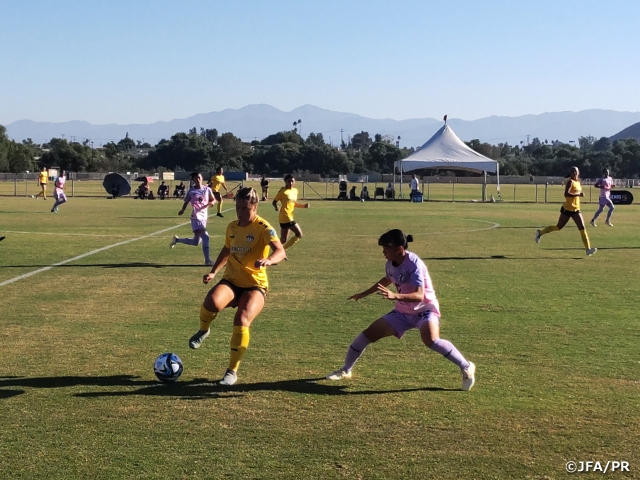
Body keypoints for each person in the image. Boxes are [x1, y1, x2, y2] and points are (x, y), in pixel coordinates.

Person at [326, 229, 476, 391]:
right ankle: (346, 370)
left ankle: (466, 366)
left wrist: (395, 296)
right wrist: (363, 294)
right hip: (403, 312)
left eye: (386, 248)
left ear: (399, 248)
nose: (383, 252)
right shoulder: (390, 263)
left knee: (431, 339)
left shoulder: (414, 264)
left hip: (425, 310)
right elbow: (386, 279)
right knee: (369, 333)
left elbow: (419, 295)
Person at [188, 187, 286, 386]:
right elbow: (227, 249)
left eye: (246, 209)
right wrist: (214, 272)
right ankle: (204, 330)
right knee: (211, 303)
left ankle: (231, 371)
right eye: (238, 208)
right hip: (232, 280)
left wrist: (269, 260)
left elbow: (281, 251)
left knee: (241, 319)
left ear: (255, 207)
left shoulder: (263, 227)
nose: (241, 213)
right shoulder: (232, 227)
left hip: (255, 285)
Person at [535, 166, 597, 256]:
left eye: (576, 171)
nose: (574, 173)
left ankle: (588, 249)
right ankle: (540, 233)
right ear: (570, 174)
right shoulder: (570, 182)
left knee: (582, 228)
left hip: (576, 209)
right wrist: (578, 194)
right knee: (558, 227)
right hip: (567, 209)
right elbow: (566, 194)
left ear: (578, 172)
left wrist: (578, 195)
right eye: (572, 172)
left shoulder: (578, 183)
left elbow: (575, 195)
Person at [170, 172, 216, 265]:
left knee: (196, 242)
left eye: (199, 177)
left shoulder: (207, 189)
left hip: (204, 217)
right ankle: (207, 261)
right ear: (193, 180)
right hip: (196, 217)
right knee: (206, 237)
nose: (197, 179)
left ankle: (177, 240)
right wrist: (182, 210)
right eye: (195, 178)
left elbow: (213, 199)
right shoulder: (191, 191)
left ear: (202, 178)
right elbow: (186, 202)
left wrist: (212, 203)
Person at [272, 174, 310, 253]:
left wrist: (303, 206)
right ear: (285, 182)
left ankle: (274, 254)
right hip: (286, 216)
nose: (291, 183)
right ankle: (283, 250)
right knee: (299, 234)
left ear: (295, 181)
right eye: (288, 181)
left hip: (287, 217)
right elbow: (274, 202)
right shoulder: (282, 191)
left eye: (292, 181)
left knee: (283, 240)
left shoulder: (295, 191)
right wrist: (276, 207)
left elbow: (293, 203)